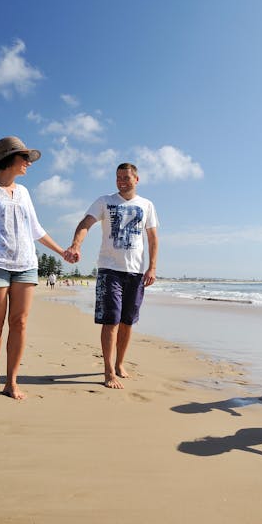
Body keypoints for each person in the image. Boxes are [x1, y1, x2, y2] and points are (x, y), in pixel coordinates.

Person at [0, 136, 71, 400]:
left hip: (25, 264)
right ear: (9, 159)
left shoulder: (23, 192)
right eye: (25, 159)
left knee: (19, 322)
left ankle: (12, 381)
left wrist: (62, 252)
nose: (28, 164)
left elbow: (36, 229)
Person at [64, 163, 158, 389]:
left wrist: (152, 267)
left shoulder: (146, 205)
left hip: (135, 272)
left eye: (126, 177)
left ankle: (119, 364)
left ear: (137, 179)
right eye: (118, 178)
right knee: (111, 321)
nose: (121, 181)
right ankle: (108, 370)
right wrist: (76, 244)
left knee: (127, 322)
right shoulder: (104, 201)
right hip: (109, 270)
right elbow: (86, 223)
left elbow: (153, 239)